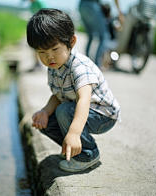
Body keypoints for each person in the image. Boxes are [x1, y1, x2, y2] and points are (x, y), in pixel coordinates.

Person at [26, 8, 121, 172]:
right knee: (47, 121)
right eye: (42, 52)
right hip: (79, 109)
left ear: (71, 42)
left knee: (64, 111)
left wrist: (75, 133)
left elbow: (84, 99)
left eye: (54, 49)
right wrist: (44, 111)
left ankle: (87, 154)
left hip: (102, 114)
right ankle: (72, 149)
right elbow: (58, 95)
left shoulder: (79, 67)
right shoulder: (54, 66)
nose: (49, 57)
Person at [79, 0, 124, 68]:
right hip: (92, 5)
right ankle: (97, 65)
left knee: (91, 36)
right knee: (104, 36)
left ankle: (85, 62)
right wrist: (120, 13)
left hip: (82, 6)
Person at [28, 0, 47, 72]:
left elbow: (46, 15)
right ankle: (37, 63)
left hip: (41, 28)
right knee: (34, 47)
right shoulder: (32, 4)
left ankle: (39, 64)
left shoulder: (40, 2)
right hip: (35, 27)